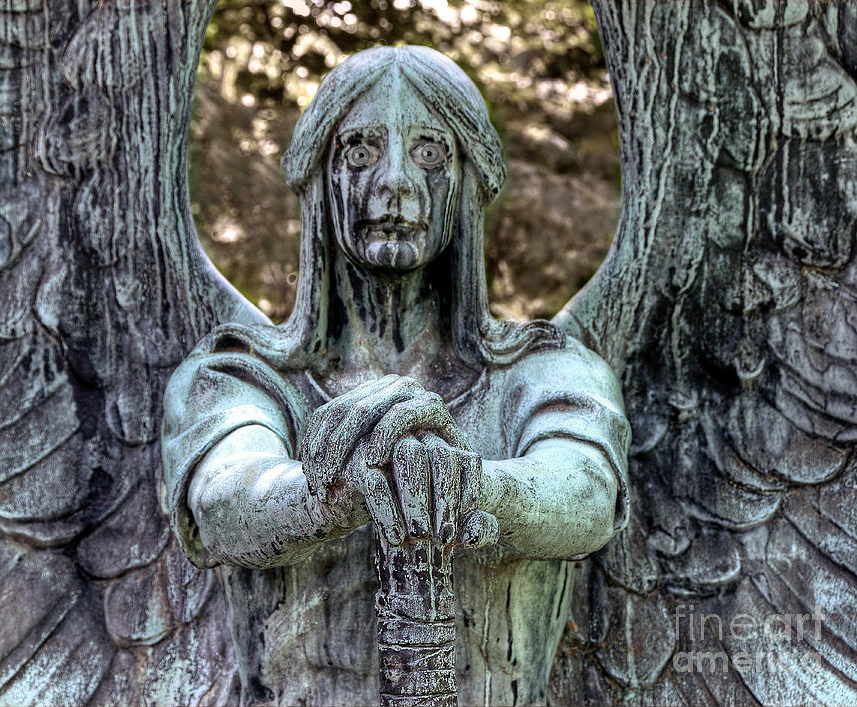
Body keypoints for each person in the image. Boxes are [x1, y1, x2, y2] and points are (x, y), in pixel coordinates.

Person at [162, 45, 629, 706]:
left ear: (470, 178)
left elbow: (584, 491)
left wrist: (471, 485)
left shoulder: (545, 369)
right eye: (359, 151)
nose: (395, 183)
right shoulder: (239, 375)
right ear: (319, 174)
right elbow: (225, 499)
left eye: (431, 153)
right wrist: (336, 488)